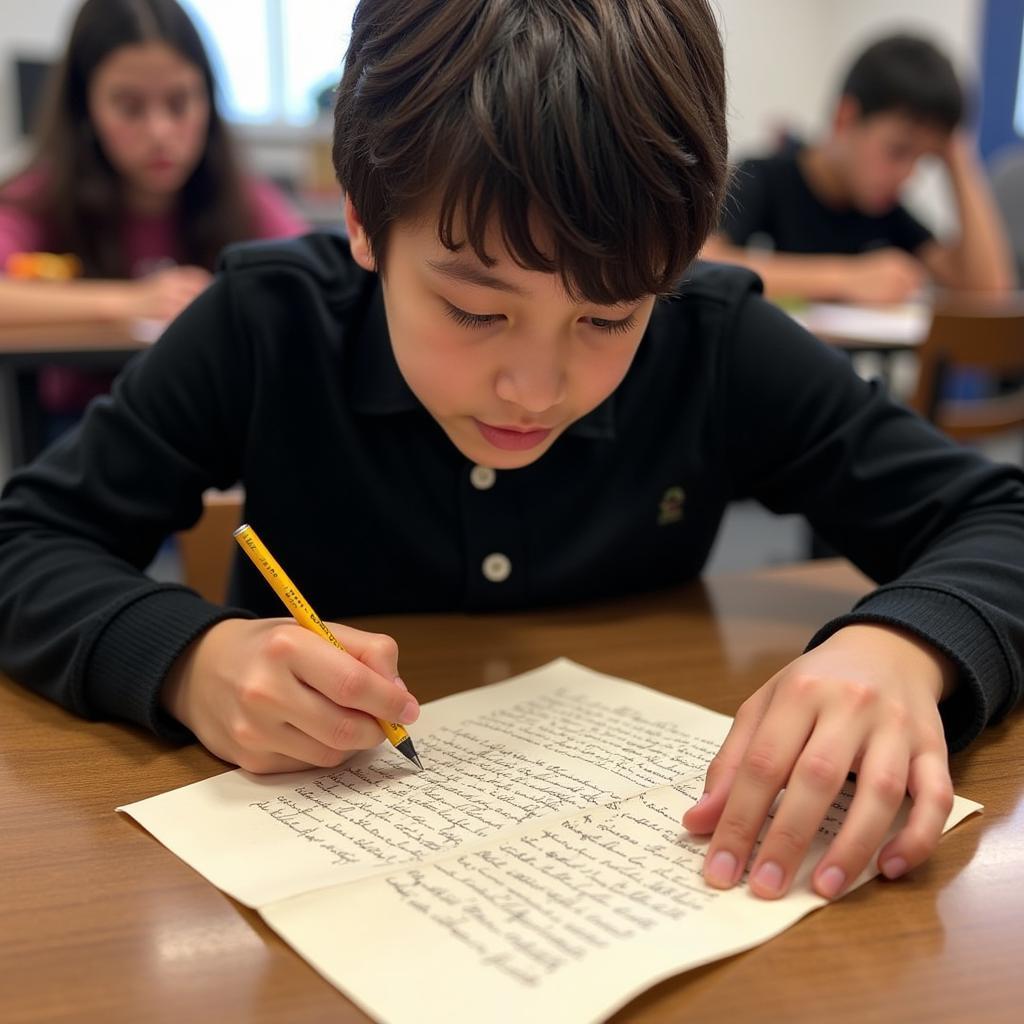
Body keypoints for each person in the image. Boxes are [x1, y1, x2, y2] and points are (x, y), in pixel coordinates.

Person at [0, 0, 1022, 908]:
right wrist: (186, 659)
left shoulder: (711, 341)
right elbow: (28, 538)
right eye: (475, 308)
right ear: (363, 219)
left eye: (608, 316)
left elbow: (999, 517)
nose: (536, 389)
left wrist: (902, 646)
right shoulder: (266, 325)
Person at [0, 0, 307, 439]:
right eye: (129, 107)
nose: (160, 131)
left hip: (216, 429)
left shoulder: (241, 196)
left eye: (180, 103)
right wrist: (131, 303)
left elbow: (321, 283)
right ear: (85, 108)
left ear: (208, 99)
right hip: (85, 431)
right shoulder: (42, 195)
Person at [702, 34, 1016, 302]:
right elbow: (700, 264)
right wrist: (847, 277)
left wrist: (957, 157)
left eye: (924, 159)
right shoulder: (763, 177)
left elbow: (989, 293)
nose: (907, 175)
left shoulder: (887, 213)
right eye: (898, 151)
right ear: (846, 119)